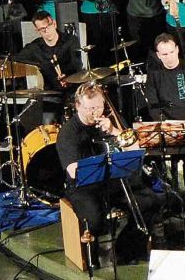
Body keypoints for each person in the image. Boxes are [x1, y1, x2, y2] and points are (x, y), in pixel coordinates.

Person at [55, 84, 159, 264]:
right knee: (95, 221)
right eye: (89, 108)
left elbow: (134, 149)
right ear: (78, 106)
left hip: (112, 179)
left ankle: (124, 250)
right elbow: (73, 170)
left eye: (98, 107)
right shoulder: (68, 133)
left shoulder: (109, 121)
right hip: (84, 185)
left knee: (149, 201)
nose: (95, 112)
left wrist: (113, 131)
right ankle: (92, 254)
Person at [4, 11, 84, 92]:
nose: (46, 31)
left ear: (54, 24)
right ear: (37, 30)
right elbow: (14, 60)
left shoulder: (70, 40)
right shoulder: (34, 47)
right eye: (42, 29)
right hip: (50, 93)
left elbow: (77, 65)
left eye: (48, 26)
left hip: (73, 89)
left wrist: (68, 77)